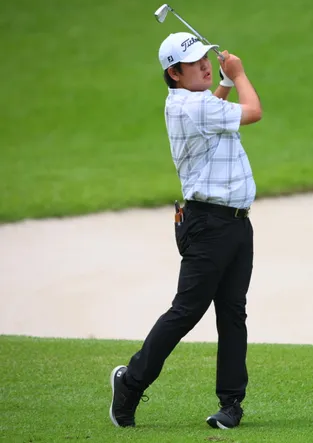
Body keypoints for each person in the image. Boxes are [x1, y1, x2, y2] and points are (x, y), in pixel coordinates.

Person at [108, 31, 263, 430]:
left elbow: (215, 108)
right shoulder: (192, 105)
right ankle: (130, 383)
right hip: (209, 224)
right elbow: (253, 112)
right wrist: (238, 75)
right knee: (186, 311)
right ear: (175, 73)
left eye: (206, 59)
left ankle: (231, 404)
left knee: (232, 313)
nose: (205, 66)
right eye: (195, 64)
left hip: (235, 223)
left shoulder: (194, 104)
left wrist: (223, 83)